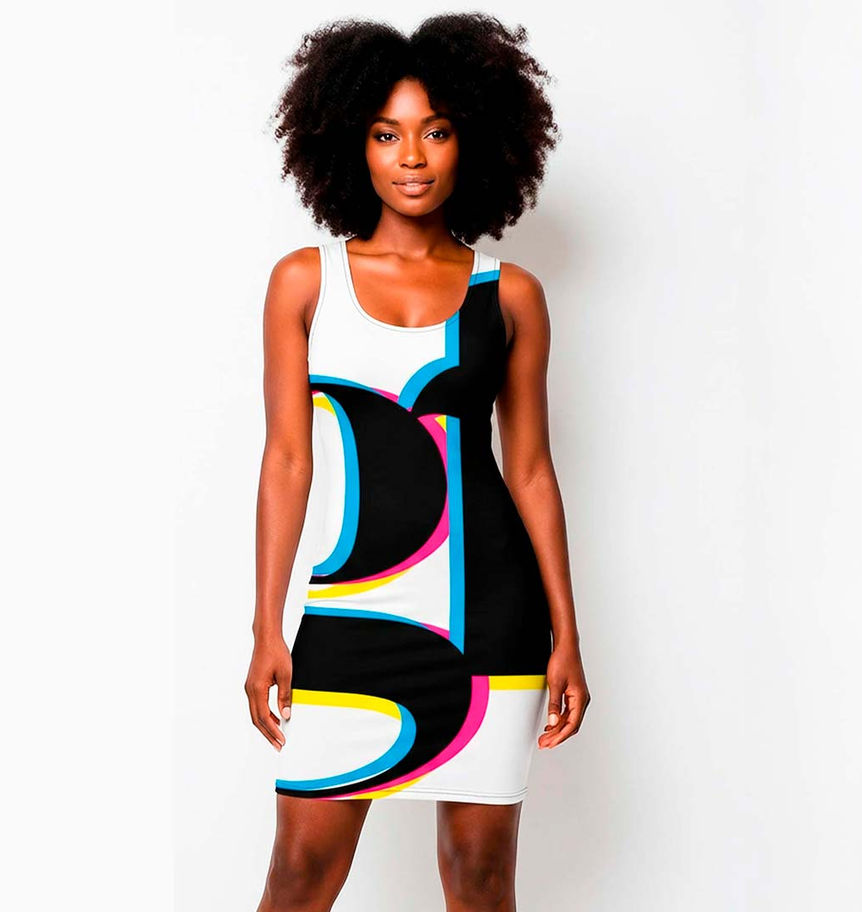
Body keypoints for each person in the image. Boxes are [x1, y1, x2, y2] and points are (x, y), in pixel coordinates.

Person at [245, 13, 590, 911]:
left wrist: (567, 635)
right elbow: (287, 461)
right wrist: (267, 627)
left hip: (490, 619)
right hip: (354, 611)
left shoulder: (510, 294)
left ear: (472, 140)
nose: (411, 157)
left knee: (480, 880)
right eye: (385, 133)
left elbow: (532, 470)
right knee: (299, 876)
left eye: (435, 132)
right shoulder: (305, 281)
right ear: (348, 143)